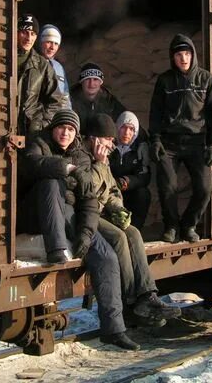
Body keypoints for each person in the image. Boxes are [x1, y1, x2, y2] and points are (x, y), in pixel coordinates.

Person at [21, 109, 140, 350]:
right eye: (61, 127)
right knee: (51, 182)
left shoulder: (81, 156)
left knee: (106, 257)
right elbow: (32, 164)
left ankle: (114, 329)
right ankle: (57, 248)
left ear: (76, 133)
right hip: (36, 213)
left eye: (71, 129)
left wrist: (86, 233)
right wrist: (67, 168)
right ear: (53, 128)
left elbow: (88, 201)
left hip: (70, 216)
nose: (65, 132)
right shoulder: (39, 144)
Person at [84, 113, 181, 325]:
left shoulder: (104, 158)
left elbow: (112, 191)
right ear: (94, 139)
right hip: (87, 213)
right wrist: (100, 164)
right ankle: (130, 300)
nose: (112, 144)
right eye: (109, 139)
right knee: (119, 238)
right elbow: (88, 190)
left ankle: (147, 295)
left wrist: (119, 211)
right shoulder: (84, 157)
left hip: (103, 211)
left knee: (133, 232)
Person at [149, 34, 212, 243]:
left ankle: (189, 225)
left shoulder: (206, 80)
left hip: (196, 142)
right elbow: (155, 112)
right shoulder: (164, 81)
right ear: (173, 58)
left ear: (193, 55)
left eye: (187, 53)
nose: (183, 58)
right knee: (168, 187)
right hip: (169, 143)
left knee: (204, 189)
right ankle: (171, 226)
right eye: (179, 54)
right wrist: (155, 140)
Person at [16, 14, 65, 139]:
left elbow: (56, 102)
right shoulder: (2, 58)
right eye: (24, 32)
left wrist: (39, 125)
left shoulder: (42, 66)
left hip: (29, 135)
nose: (28, 38)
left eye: (33, 34)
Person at [109, 111, 151, 229]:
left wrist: (127, 181)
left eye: (131, 129)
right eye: (123, 127)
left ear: (136, 132)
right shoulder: (109, 146)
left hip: (128, 191)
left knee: (143, 194)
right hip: (110, 191)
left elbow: (144, 177)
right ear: (117, 128)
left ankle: (136, 229)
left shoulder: (139, 150)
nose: (127, 133)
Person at [38, 24, 71, 108]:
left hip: (57, 117)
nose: (52, 47)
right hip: (38, 117)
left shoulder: (58, 67)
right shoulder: (33, 63)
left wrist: (67, 116)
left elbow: (65, 95)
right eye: (49, 42)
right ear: (40, 42)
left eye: (56, 43)